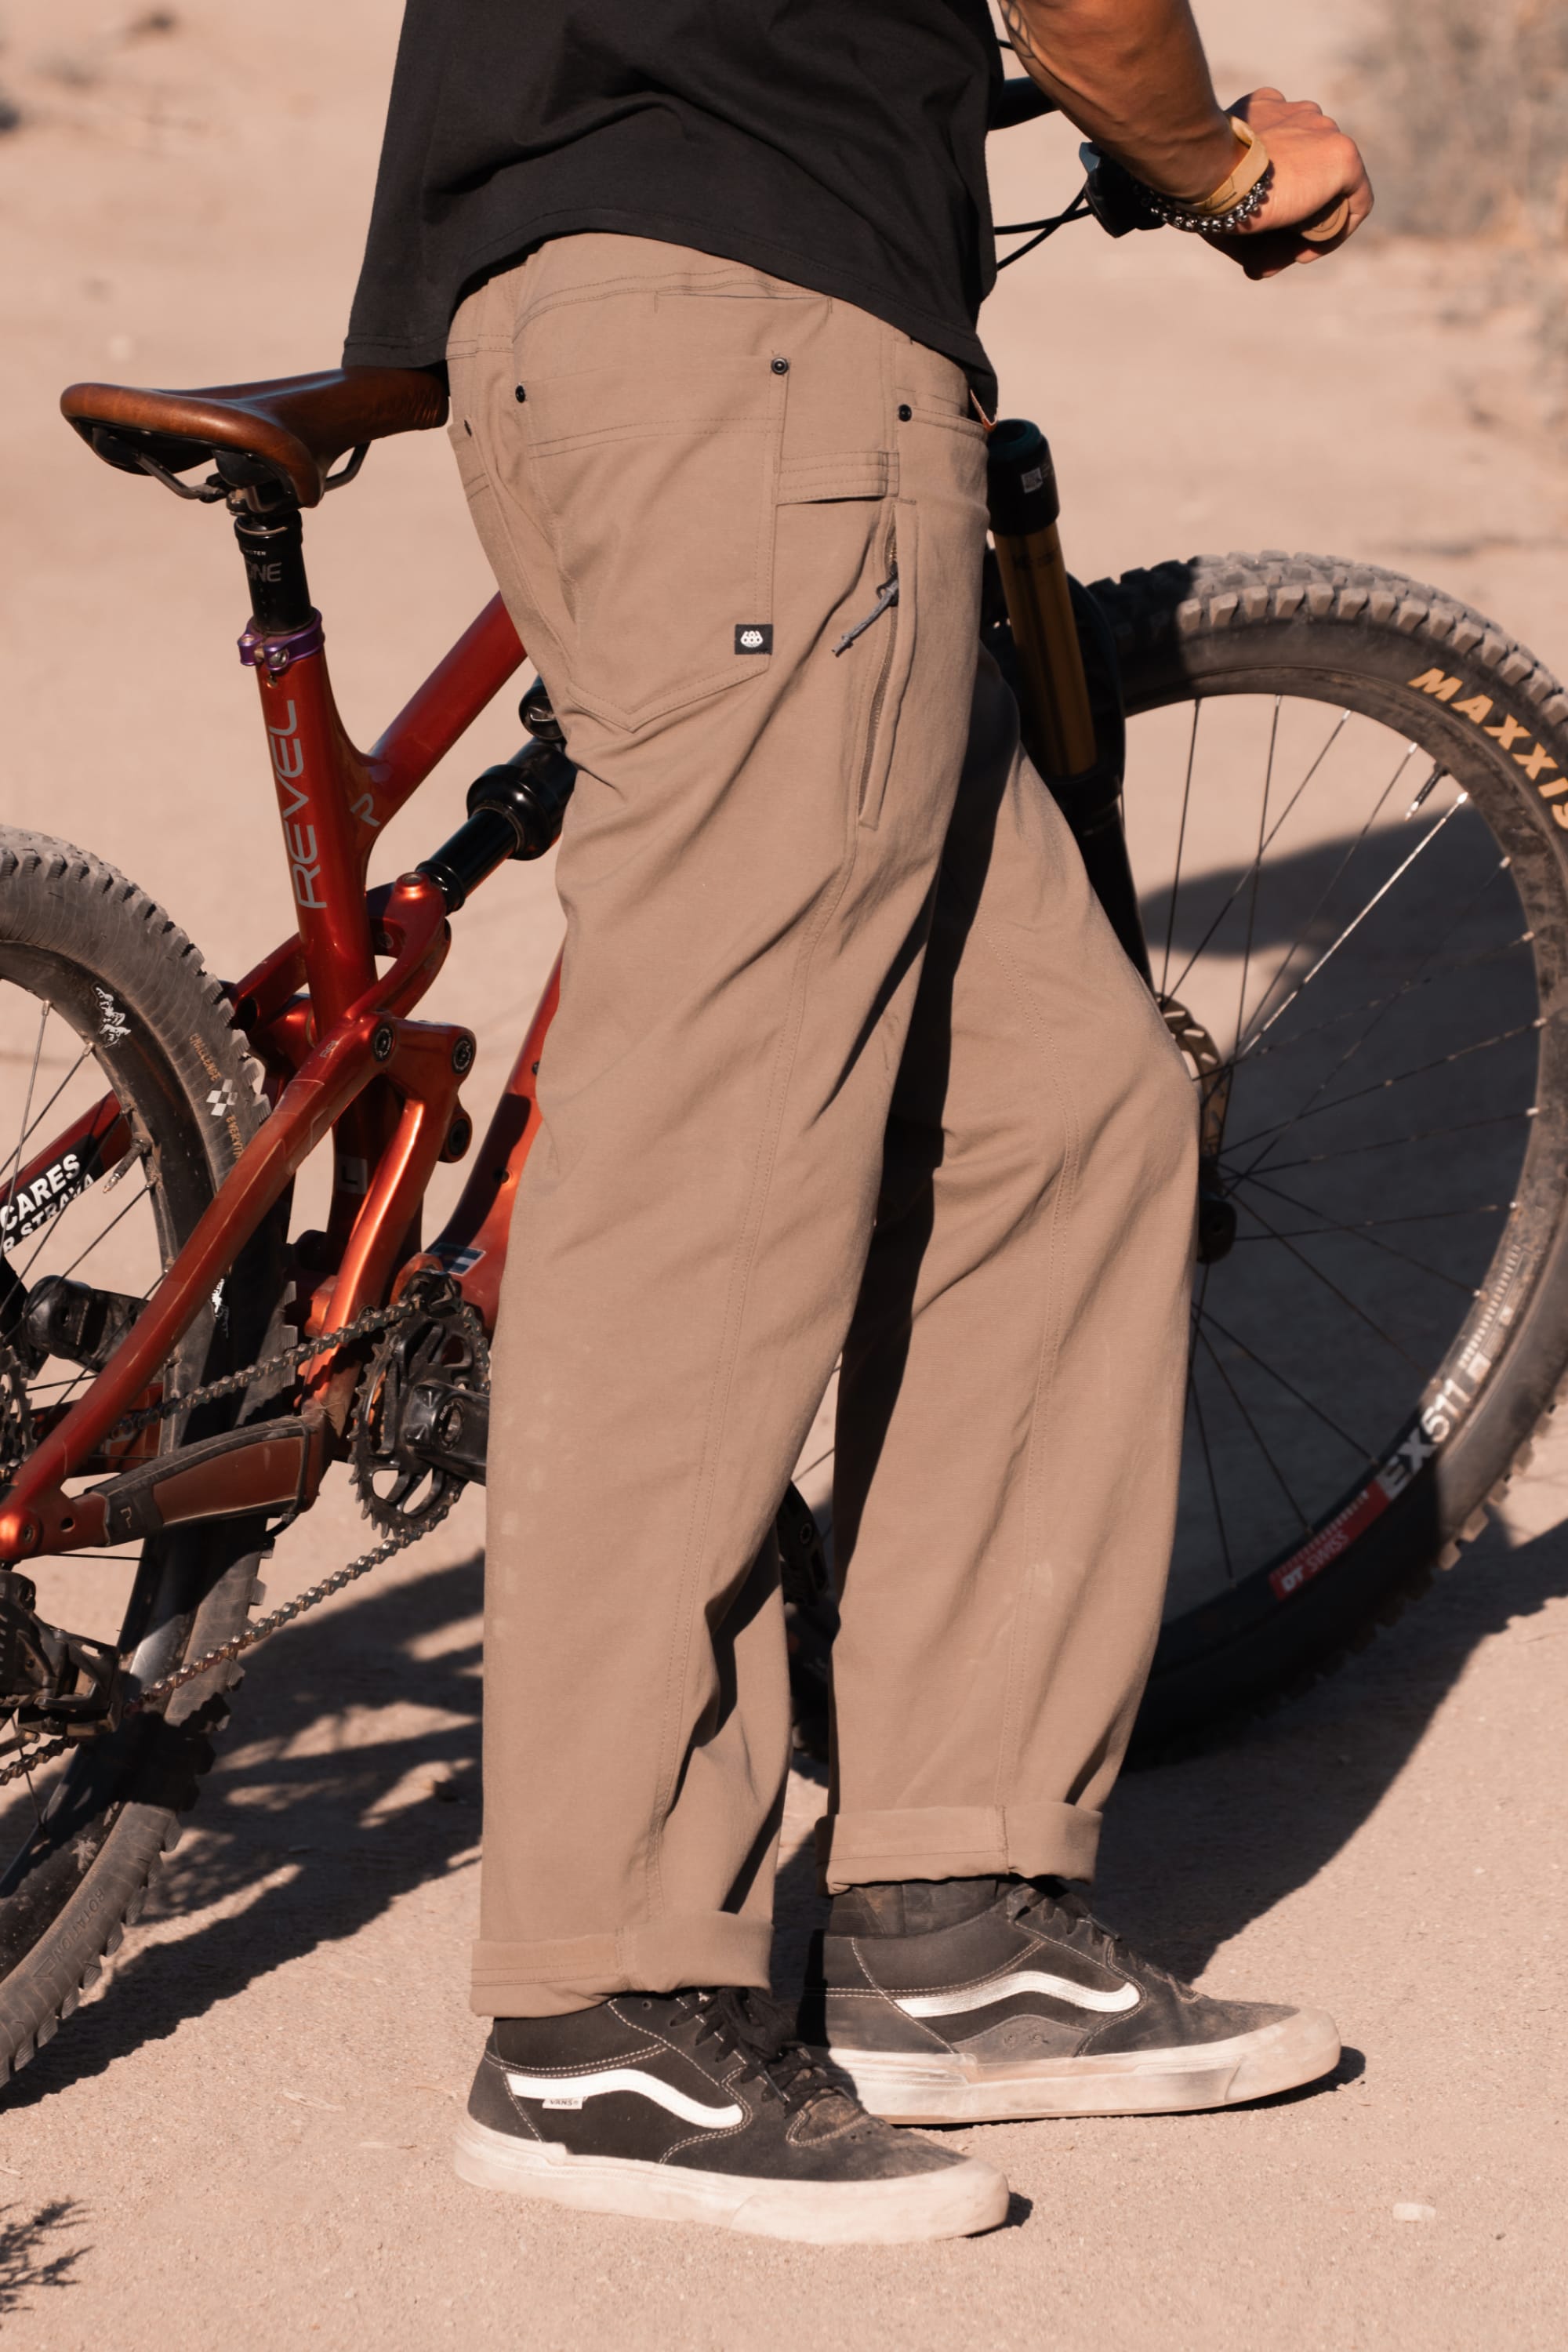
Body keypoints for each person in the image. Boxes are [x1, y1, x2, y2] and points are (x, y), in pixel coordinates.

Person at [345, 0, 1373, 2245]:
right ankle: (607, 2008)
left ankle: (960, 1923)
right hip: (762, 354)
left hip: (650, 324)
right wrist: (1209, 163)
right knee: (717, 1166)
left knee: (1066, 1108)